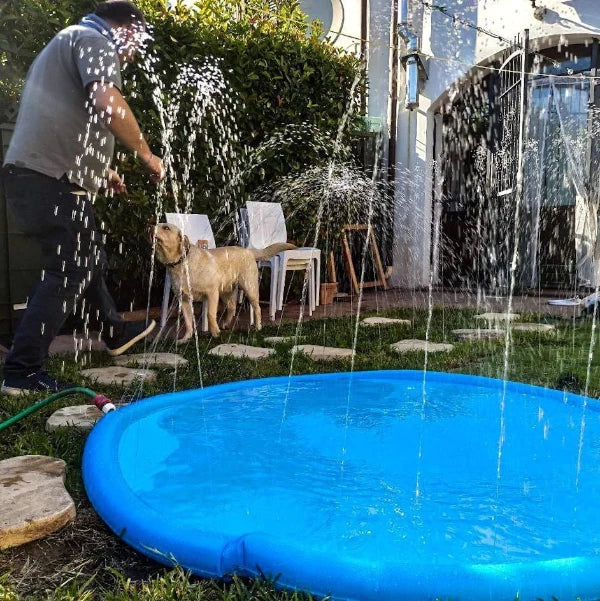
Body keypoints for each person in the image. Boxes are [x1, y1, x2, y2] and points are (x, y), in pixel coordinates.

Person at [1, 0, 165, 395]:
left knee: (86, 255)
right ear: (126, 28)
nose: (132, 54)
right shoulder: (94, 39)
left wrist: (100, 171)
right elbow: (107, 102)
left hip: (41, 174)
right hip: (46, 177)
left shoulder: (70, 41)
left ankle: (114, 330)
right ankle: (21, 370)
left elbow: (61, 118)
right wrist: (145, 153)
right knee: (73, 267)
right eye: (136, 44)